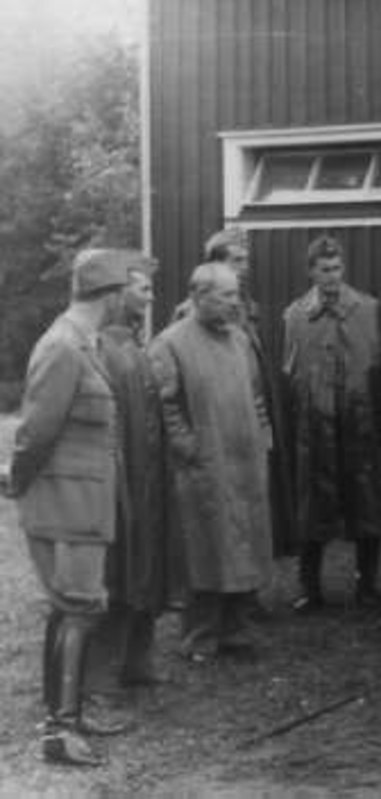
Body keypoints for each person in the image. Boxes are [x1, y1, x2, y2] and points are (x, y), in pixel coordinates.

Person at [7, 249, 139, 766]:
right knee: (80, 607)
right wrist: (18, 483)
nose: (132, 299)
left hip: (82, 500)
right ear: (111, 295)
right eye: (126, 290)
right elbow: (36, 431)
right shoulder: (62, 346)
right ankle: (60, 731)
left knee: (72, 606)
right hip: (65, 502)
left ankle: (68, 716)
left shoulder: (85, 343)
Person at [149, 262, 274, 662]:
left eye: (237, 294)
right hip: (204, 464)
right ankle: (199, 636)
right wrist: (188, 447)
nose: (236, 303)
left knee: (245, 544)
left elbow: (257, 394)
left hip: (245, 461)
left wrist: (262, 437)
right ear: (199, 296)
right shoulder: (170, 343)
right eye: (226, 295)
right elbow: (165, 406)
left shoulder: (240, 340)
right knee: (204, 548)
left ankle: (237, 631)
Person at [87, 253, 187, 697]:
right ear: (118, 292)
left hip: (150, 476)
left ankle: (138, 660)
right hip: (123, 475)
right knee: (119, 571)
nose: (150, 296)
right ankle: (99, 675)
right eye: (142, 288)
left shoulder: (136, 343)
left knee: (147, 564)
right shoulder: (103, 348)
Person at [283, 236, 381, 612]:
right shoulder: (295, 315)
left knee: (366, 503)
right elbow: (290, 373)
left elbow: (380, 367)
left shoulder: (368, 309)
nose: (332, 276)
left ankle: (367, 585)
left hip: (360, 423)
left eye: (337, 268)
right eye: (325, 269)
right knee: (311, 506)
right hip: (314, 426)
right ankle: (310, 588)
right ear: (311, 272)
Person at [176, 227, 295, 561]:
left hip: (250, 411)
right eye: (237, 260)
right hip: (217, 419)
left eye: (246, 260)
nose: (245, 267)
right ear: (216, 264)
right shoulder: (190, 313)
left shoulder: (247, 309)